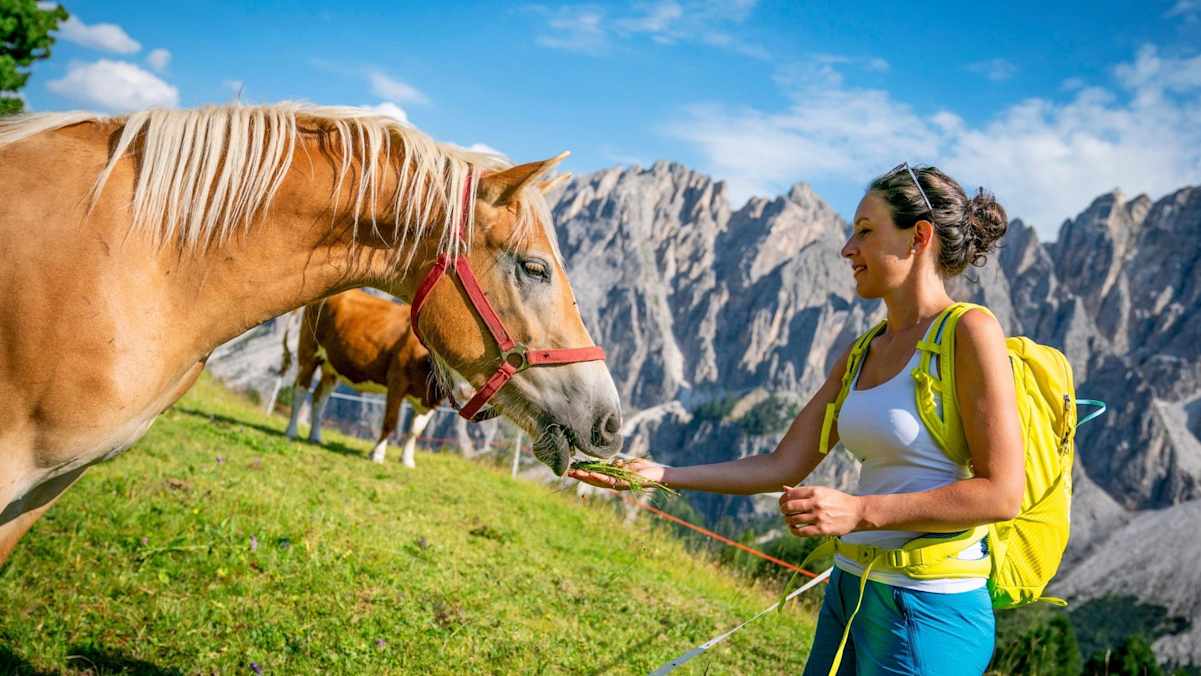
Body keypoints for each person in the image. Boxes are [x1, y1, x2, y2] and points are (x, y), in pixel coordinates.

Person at [569, 163, 1024, 675]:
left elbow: (1001, 494)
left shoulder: (970, 332)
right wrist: (663, 475)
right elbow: (784, 463)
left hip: (929, 609)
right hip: (851, 591)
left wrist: (859, 512)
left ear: (919, 237)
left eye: (866, 231)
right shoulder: (864, 349)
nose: (848, 248)